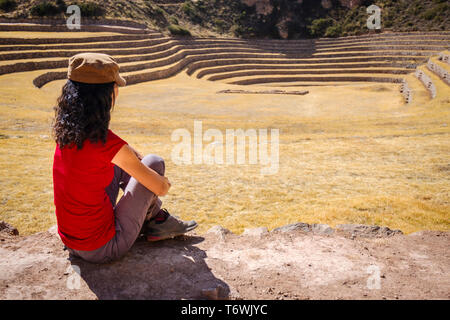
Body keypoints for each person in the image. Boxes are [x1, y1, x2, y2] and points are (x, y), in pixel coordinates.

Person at [52, 53, 197, 264]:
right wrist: (161, 183)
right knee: (154, 162)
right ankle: (158, 220)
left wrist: (132, 157)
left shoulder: (67, 134)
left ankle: (157, 219)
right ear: (107, 94)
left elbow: (121, 153)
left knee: (125, 166)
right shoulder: (106, 144)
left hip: (72, 241)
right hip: (104, 248)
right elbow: (161, 188)